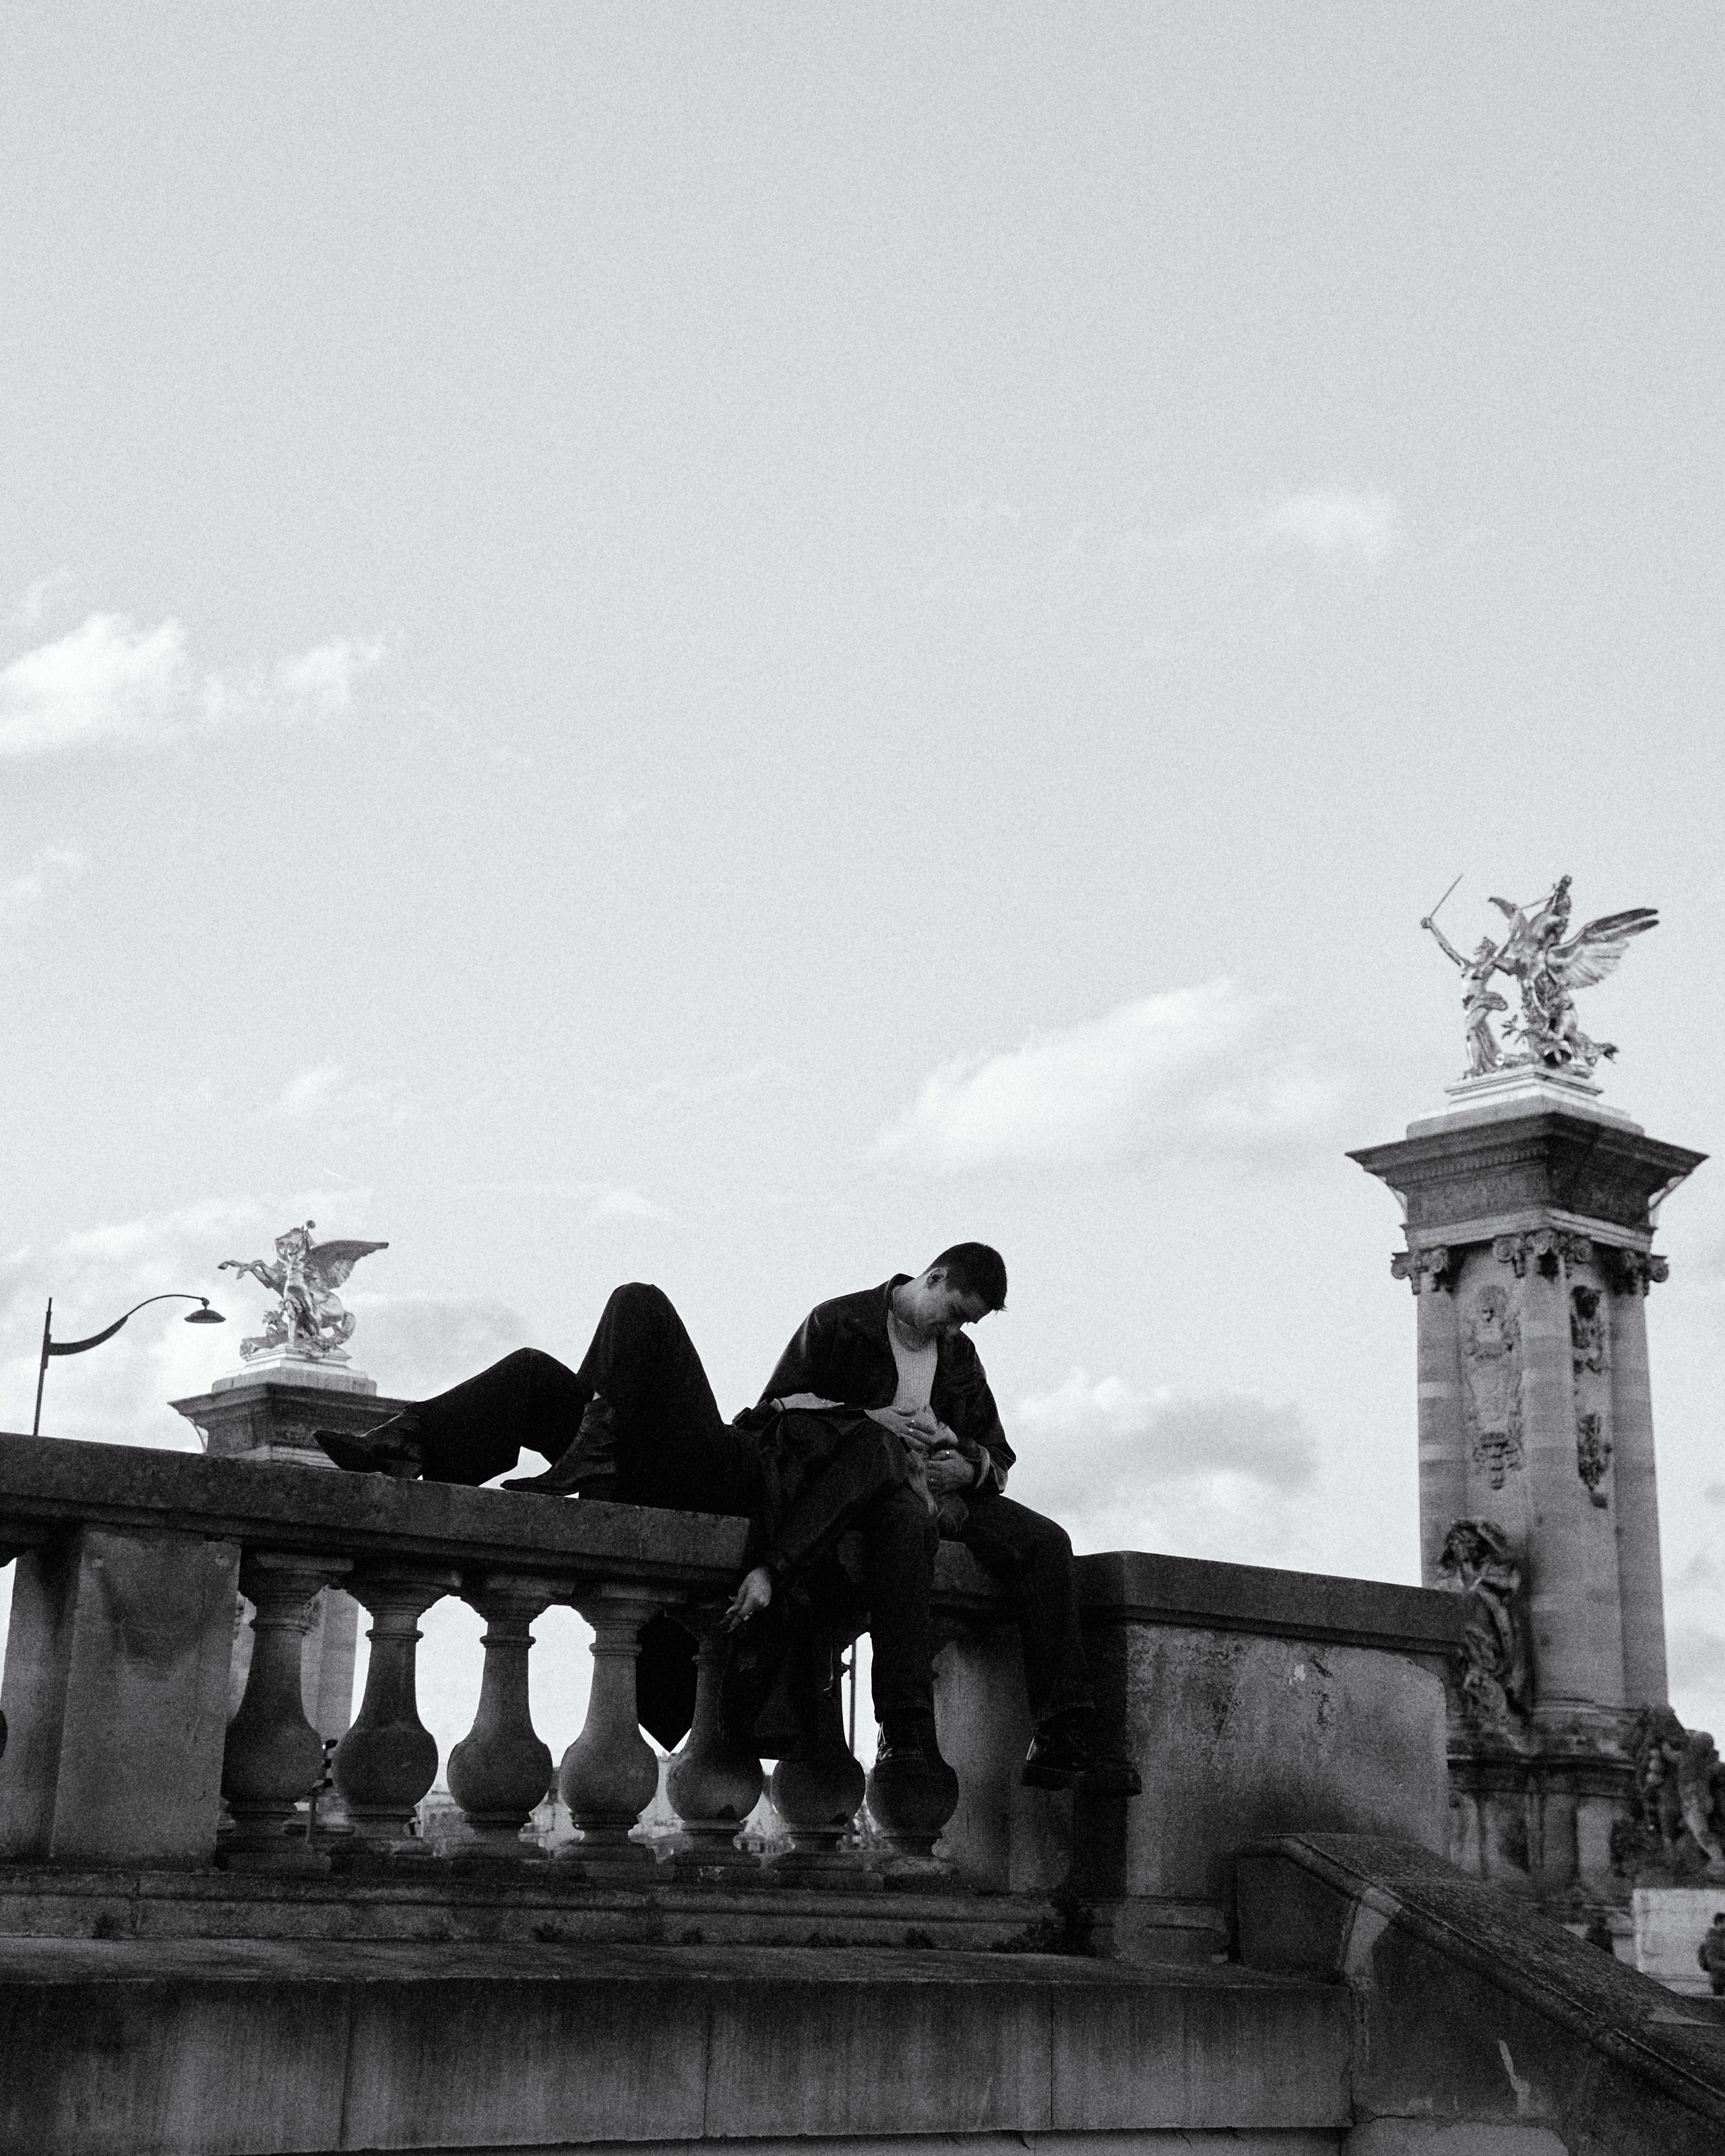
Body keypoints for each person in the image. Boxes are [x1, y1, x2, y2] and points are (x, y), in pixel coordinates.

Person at [754, 1247, 1136, 1790]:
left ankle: (1061, 1732)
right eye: (955, 1312)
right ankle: (905, 1727)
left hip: (950, 1495)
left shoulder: (959, 1356)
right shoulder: (838, 1322)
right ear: (933, 1278)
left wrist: (967, 1461)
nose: (956, 1329)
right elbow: (772, 1414)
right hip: (871, 1495)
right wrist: (867, 1420)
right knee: (907, 1529)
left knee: (1047, 1542)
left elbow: (999, 1457)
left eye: (967, 1322)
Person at [1699, 1913, 1725, 1997]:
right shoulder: (1713, 1940)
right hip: (1719, 1981)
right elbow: (1713, 1962)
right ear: (1720, 1923)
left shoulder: (1721, 1939)